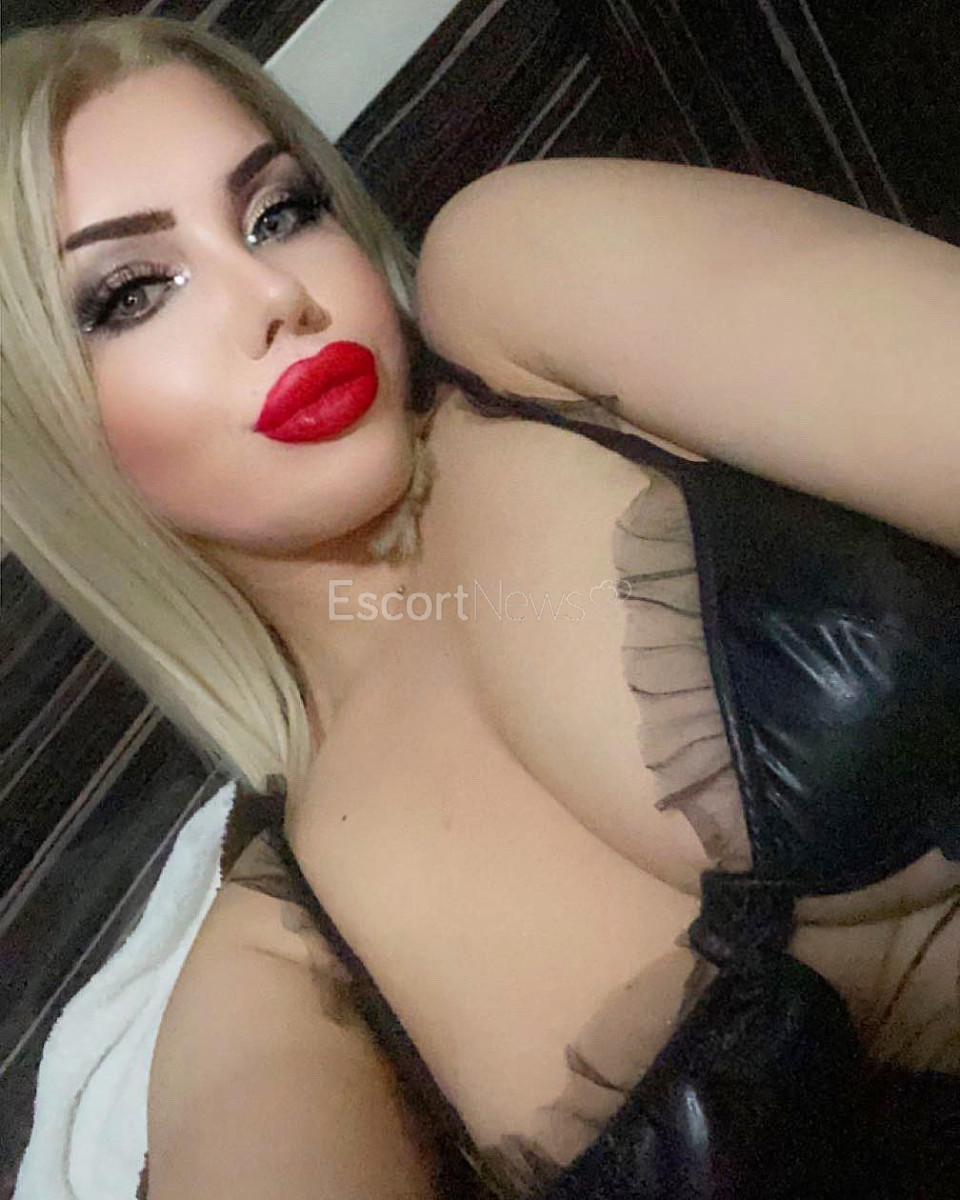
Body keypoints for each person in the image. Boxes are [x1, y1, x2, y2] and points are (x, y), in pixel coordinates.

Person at [3, 14, 958, 1200]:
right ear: (43, 434)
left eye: (279, 213)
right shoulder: (268, 976)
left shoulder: (522, 293)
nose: (275, 294)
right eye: (134, 292)